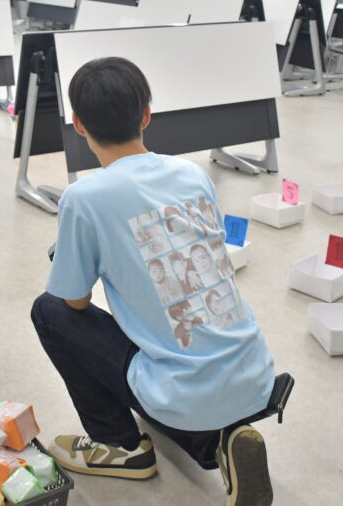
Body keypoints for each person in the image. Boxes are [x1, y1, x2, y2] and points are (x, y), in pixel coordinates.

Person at [31, 57, 276, 505]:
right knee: (173, 325)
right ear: (146, 115)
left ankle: (121, 446)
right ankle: (219, 440)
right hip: (254, 370)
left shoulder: (84, 198)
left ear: (78, 124)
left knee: (48, 311)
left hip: (182, 387)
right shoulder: (193, 174)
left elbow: (74, 302)